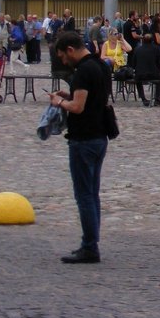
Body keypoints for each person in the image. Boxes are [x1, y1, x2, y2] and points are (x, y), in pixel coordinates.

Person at [47, 31, 111, 263]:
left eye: (63, 56)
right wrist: (70, 93)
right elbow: (93, 97)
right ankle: (91, 242)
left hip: (84, 138)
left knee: (84, 195)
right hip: (100, 136)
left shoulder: (84, 71)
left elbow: (78, 107)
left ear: (71, 50)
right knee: (92, 194)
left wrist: (60, 101)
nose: (64, 61)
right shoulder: (100, 65)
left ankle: (90, 246)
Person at [129, 36, 160, 107]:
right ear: (152, 41)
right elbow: (158, 63)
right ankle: (157, 98)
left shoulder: (137, 49)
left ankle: (143, 98)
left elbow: (134, 63)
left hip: (140, 74)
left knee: (138, 80)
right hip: (153, 74)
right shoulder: (156, 49)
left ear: (143, 40)